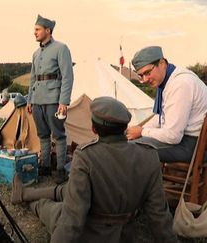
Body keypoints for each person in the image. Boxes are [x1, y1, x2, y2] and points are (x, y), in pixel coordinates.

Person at [11, 97, 177, 242]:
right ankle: (23, 194)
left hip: (90, 233)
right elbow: (159, 215)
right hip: (125, 235)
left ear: (94, 129)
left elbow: (72, 220)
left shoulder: (86, 156)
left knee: (49, 208)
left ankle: (31, 199)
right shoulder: (148, 155)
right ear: (124, 127)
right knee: (68, 190)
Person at [126, 46, 207, 162]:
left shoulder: (181, 84)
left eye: (147, 73)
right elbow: (162, 116)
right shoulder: (168, 80)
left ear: (162, 63)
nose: (145, 79)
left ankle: (144, 180)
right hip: (186, 139)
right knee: (129, 144)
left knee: (131, 150)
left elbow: (173, 136)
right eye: (141, 75)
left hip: (192, 146)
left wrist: (142, 131)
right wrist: (140, 128)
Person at [27, 15, 74, 183]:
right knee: (43, 135)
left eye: (37, 30)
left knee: (59, 135)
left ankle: (60, 170)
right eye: (34, 30)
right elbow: (33, 78)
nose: (35, 33)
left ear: (48, 30)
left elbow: (67, 76)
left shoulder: (61, 48)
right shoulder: (35, 53)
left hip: (54, 99)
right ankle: (45, 167)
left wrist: (64, 102)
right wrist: (30, 100)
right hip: (38, 99)